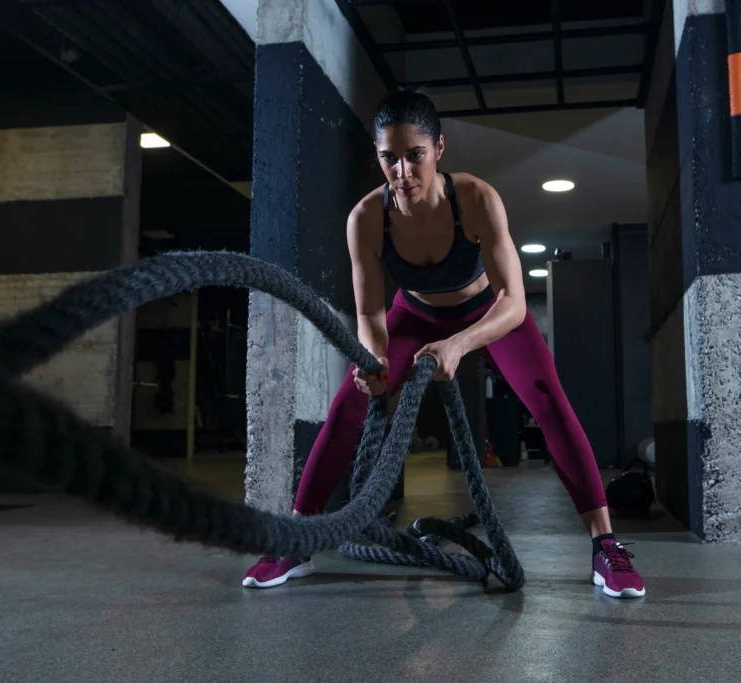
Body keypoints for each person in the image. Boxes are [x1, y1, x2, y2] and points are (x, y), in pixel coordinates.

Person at [241, 86, 645, 599]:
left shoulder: (475, 198)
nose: (403, 172)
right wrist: (376, 357)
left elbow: (515, 302)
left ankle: (605, 546)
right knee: (349, 404)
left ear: (438, 150)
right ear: (378, 157)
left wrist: (457, 345)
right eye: (390, 158)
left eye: (415, 156)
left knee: (549, 402)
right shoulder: (366, 218)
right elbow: (369, 310)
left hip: (488, 312)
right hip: (414, 313)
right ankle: (295, 543)